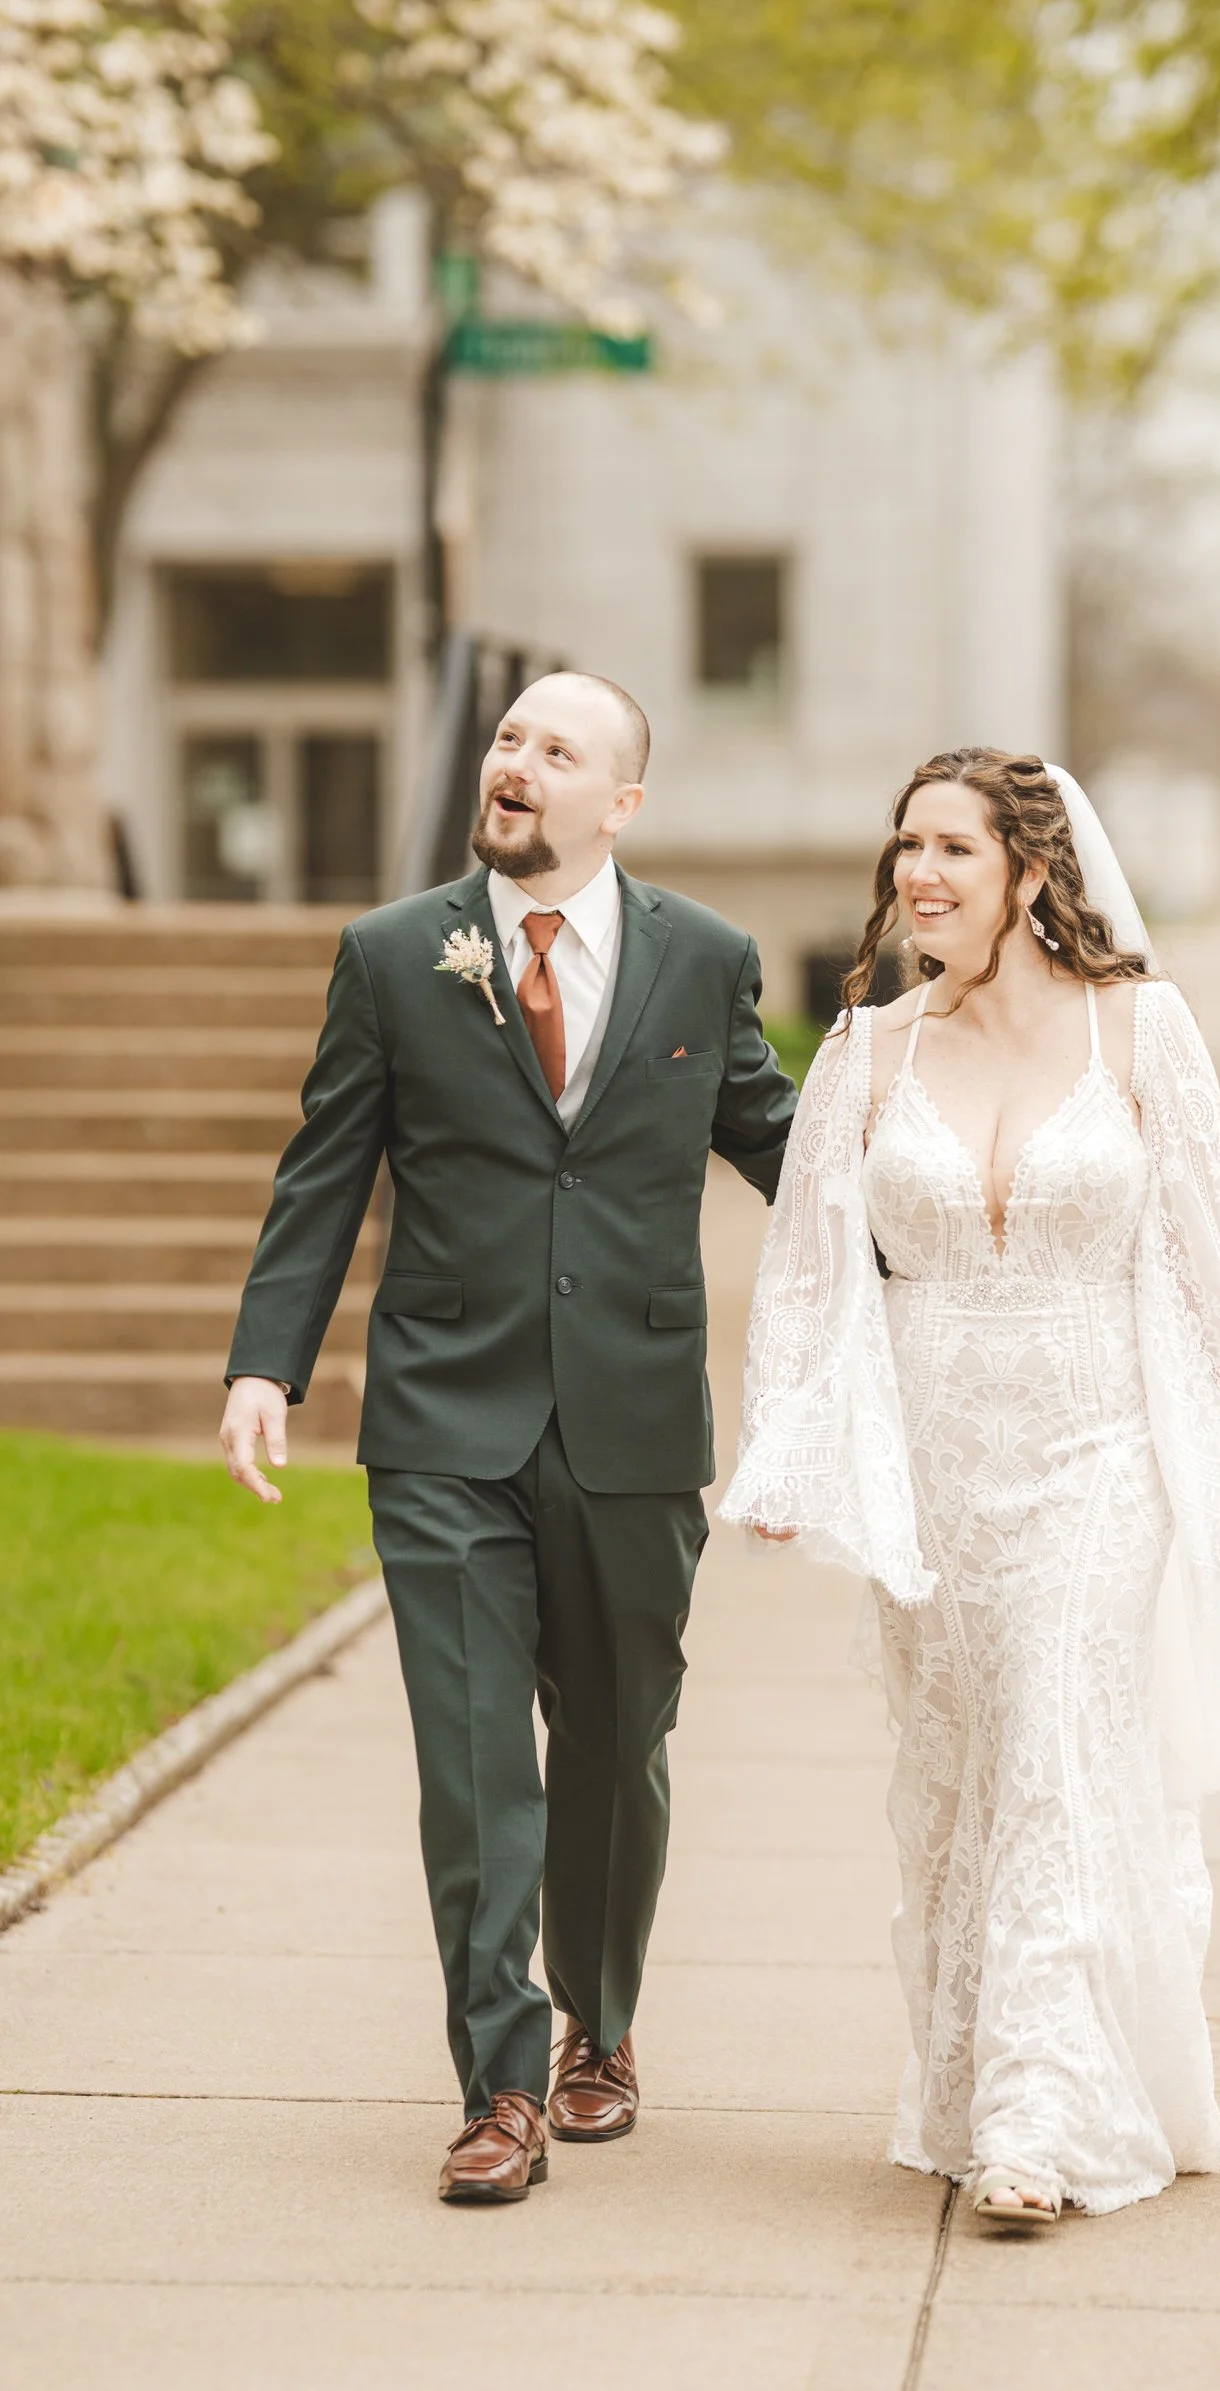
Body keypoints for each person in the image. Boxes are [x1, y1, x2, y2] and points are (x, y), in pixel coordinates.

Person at [722, 749, 1220, 2225]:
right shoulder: (864, 1057)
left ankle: (1035, 2125)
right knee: (963, 1781)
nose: (917, 874)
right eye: (905, 847)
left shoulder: (1142, 1033)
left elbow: (1206, 1259)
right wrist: (785, 1453)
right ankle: (966, 2082)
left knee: (1060, 1750)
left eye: (951, 850)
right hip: (933, 1472)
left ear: (1031, 875)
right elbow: (801, 1282)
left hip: (1097, 1452)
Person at [220, 671, 798, 2203]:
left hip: (631, 1420)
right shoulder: (397, 957)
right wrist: (265, 1363)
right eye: (506, 739)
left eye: (558, 749)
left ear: (622, 802)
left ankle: (599, 2028)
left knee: (618, 1741)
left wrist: (953, 1208)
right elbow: (323, 1168)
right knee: (475, 1763)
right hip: (442, 1422)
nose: (516, 763)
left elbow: (788, 1156)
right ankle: (500, 2081)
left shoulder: (706, 962)